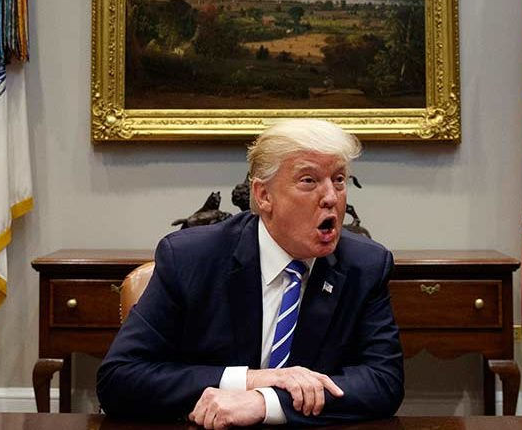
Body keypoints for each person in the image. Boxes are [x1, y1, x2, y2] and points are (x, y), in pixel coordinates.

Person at [97, 119, 404, 427]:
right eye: (309, 181)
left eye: (339, 180)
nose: (331, 197)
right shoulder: (191, 259)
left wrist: (265, 402)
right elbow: (120, 378)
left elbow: (383, 381)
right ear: (263, 196)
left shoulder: (364, 266)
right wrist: (250, 381)